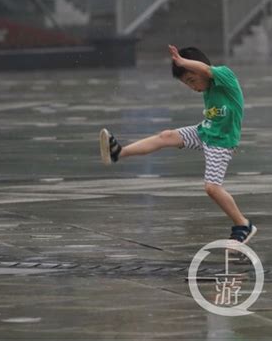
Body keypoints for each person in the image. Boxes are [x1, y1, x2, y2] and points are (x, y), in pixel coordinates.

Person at [99, 45, 256, 244]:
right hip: (204, 132)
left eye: (192, 80)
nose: (192, 87)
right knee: (166, 136)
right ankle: (118, 152)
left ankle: (243, 224)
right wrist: (185, 68)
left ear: (200, 69)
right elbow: (203, 74)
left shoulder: (225, 76)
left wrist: (182, 62)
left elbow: (207, 70)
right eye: (187, 84)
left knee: (212, 188)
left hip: (221, 141)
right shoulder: (206, 87)